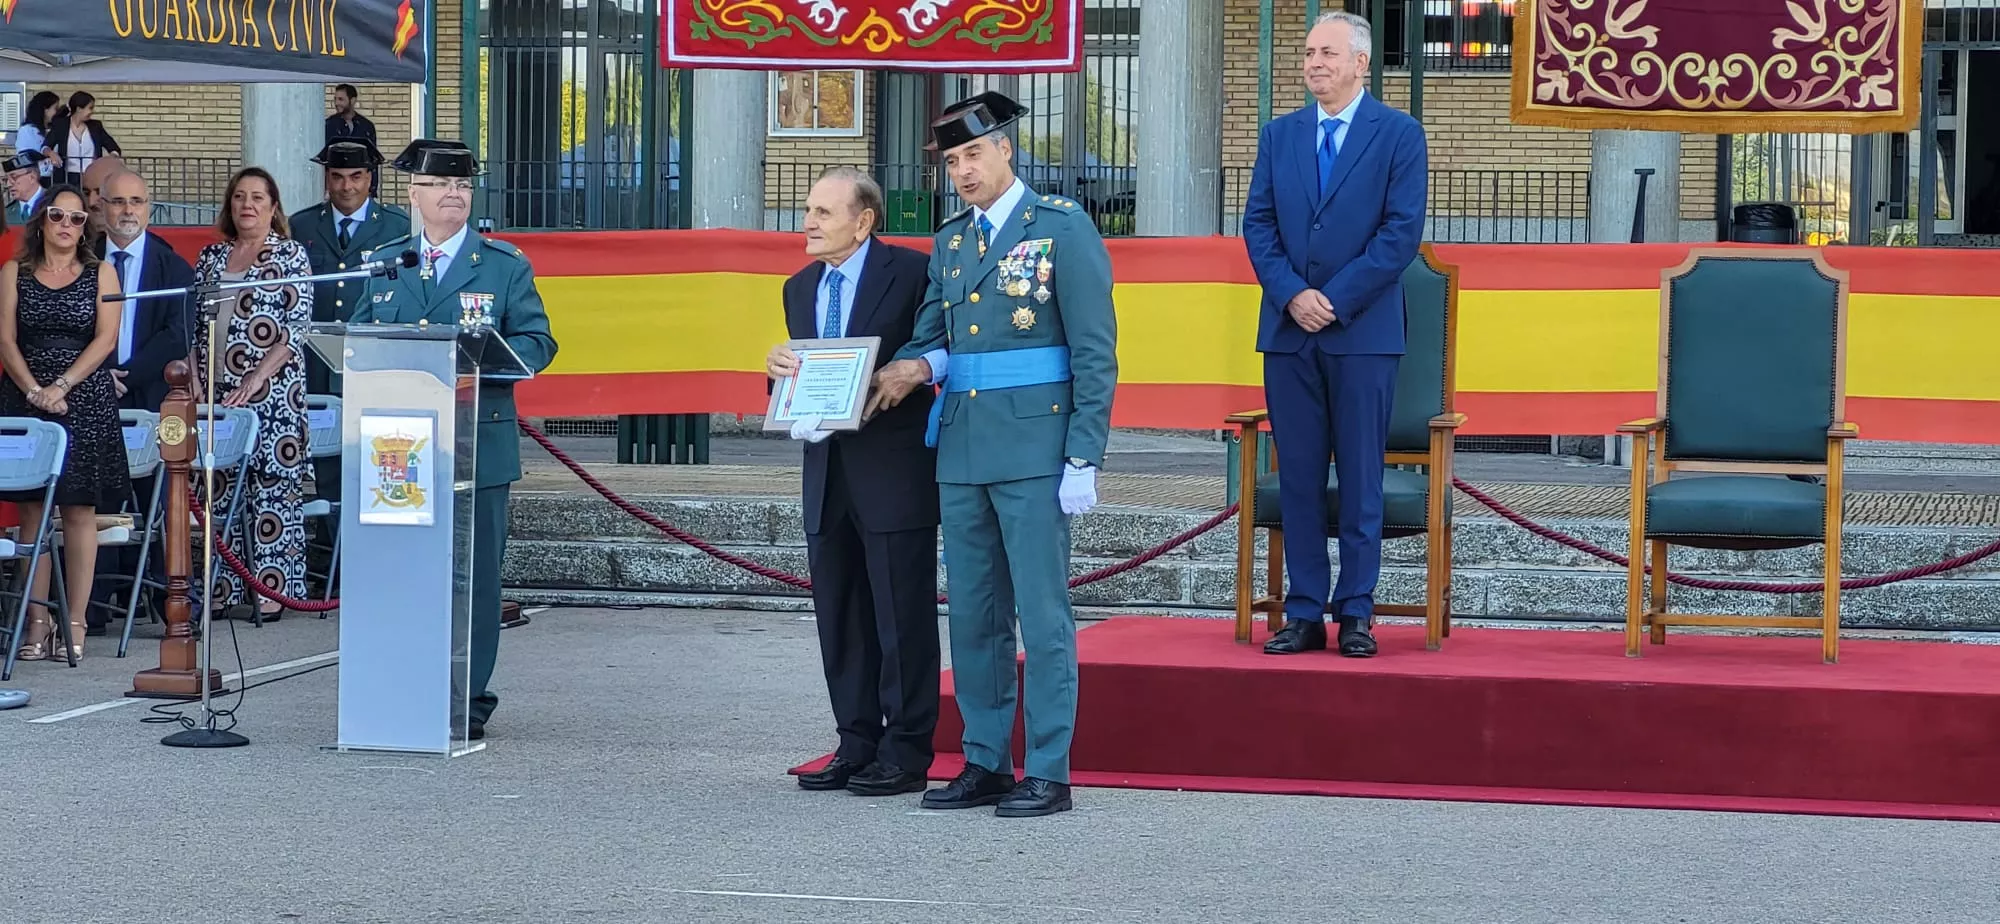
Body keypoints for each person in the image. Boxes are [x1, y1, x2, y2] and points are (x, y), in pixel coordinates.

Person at [864, 91, 1117, 818]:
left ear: (1007, 150)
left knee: (1042, 615)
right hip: (964, 449)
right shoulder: (949, 243)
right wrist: (919, 367)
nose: (964, 171)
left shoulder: (1060, 229)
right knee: (973, 614)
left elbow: (1095, 353)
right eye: (952, 160)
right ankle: (984, 761)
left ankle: (1048, 769)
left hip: (1038, 446)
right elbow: (933, 337)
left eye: (975, 153)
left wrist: (1083, 457)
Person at [352, 139, 557, 741]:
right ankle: (400, 684)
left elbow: (539, 343)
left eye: (464, 186)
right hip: (399, 447)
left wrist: (475, 363)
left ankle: (464, 696)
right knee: (400, 570)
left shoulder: (502, 266)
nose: (455, 195)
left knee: (472, 578)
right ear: (413, 194)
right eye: (442, 185)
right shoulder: (387, 262)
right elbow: (360, 337)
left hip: (476, 447)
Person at [1241, 10, 1428, 658]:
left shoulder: (1399, 135)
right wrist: (1293, 294)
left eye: (1327, 52)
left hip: (1363, 334)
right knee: (1297, 476)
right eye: (1309, 52)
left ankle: (1355, 612)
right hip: (1290, 335)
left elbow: (1400, 233)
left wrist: (1335, 298)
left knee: (1358, 476)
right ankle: (1302, 612)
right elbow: (1258, 226)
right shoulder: (1280, 135)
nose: (1314, 62)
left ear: (1360, 63)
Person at [768, 166, 941, 797]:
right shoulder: (798, 286)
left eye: (821, 212)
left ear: (863, 220)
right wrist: (776, 370)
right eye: (808, 211)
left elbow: (935, 352)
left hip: (894, 473)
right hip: (826, 475)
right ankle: (855, 741)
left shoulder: (913, 272)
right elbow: (803, 375)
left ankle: (907, 749)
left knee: (902, 618)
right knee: (839, 618)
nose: (807, 223)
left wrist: (913, 371)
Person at [0, 185, 132, 664]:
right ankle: (37, 619)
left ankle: (74, 619)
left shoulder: (103, 273)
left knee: (78, 512)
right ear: (41, 220)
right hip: (24, 392)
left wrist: (61, 385)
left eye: (77, 219)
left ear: (85, 228)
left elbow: (106, 339)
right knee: (32, 511)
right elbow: (5, 339)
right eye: (58, 215)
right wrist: (34, 388)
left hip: (84, 397)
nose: (66, 225)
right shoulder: (15, 272)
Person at [189, 167, 315, 624]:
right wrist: (197, 380)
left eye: (258, 197)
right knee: (216, 491)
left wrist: (258, 377)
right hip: (215, 392)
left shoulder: (290, 254)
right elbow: (193, 325)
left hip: (273, 393)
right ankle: (220, 589)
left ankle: (271, 590)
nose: (248, 204)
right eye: (240, 196)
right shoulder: (211, 258)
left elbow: (295, 326)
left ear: (273, 207)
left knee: (270, 491)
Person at [89, 168, 193, 635]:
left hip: (151, 400)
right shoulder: (82, 258)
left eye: (136, 202)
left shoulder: (172, 267)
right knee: (96, 502)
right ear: (101, 207)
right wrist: (96, 371)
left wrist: (127, 376)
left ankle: (157, 594)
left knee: (156, 501)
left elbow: (178, 333)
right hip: (91, 395)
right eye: (117, 202)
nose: (127, 211)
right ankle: (92, 604)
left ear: (148, 207)